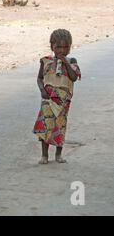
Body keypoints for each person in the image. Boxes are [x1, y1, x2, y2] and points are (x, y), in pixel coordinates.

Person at [33, 29, 81, 164]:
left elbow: (73, 78)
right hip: (48, 100)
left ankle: (58, 155)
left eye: (66, 47)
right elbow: (39, 78)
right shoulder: (46, 61)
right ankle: (44, 155)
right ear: (52, 46)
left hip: (63, 101)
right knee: (45, 125)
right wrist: (42, 89)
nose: (62, 50)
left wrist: (65, 63)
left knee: (60, 125)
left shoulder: (71, 61)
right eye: (58, 47)